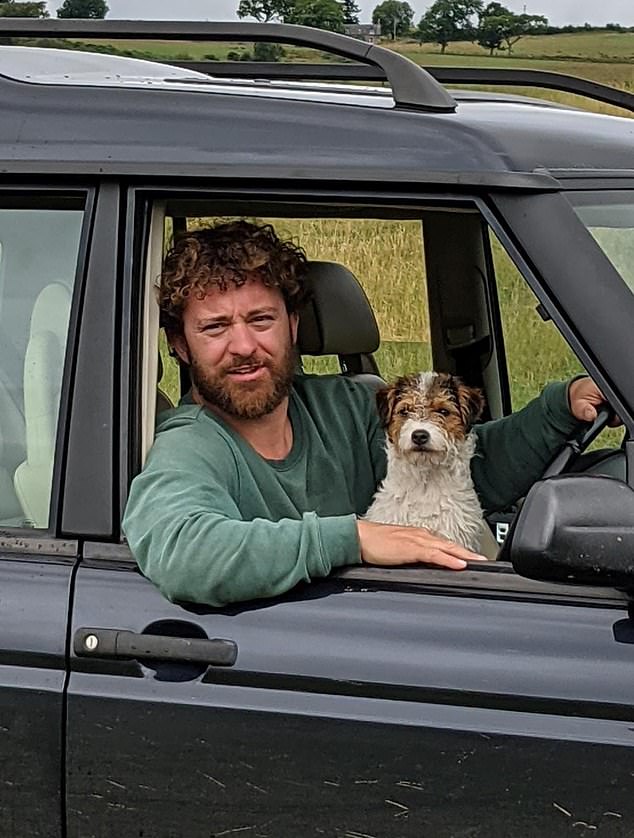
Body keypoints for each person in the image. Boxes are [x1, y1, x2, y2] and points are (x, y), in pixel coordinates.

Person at [123, 220, 611, 607]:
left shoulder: (349, 406)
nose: (244, 345)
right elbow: (185, 552)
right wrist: (355, 538)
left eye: (260, 319)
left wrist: (560, 407)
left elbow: (467, 472)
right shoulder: (188, 444)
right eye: (215, 328)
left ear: (292, 325)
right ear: (180, 347)